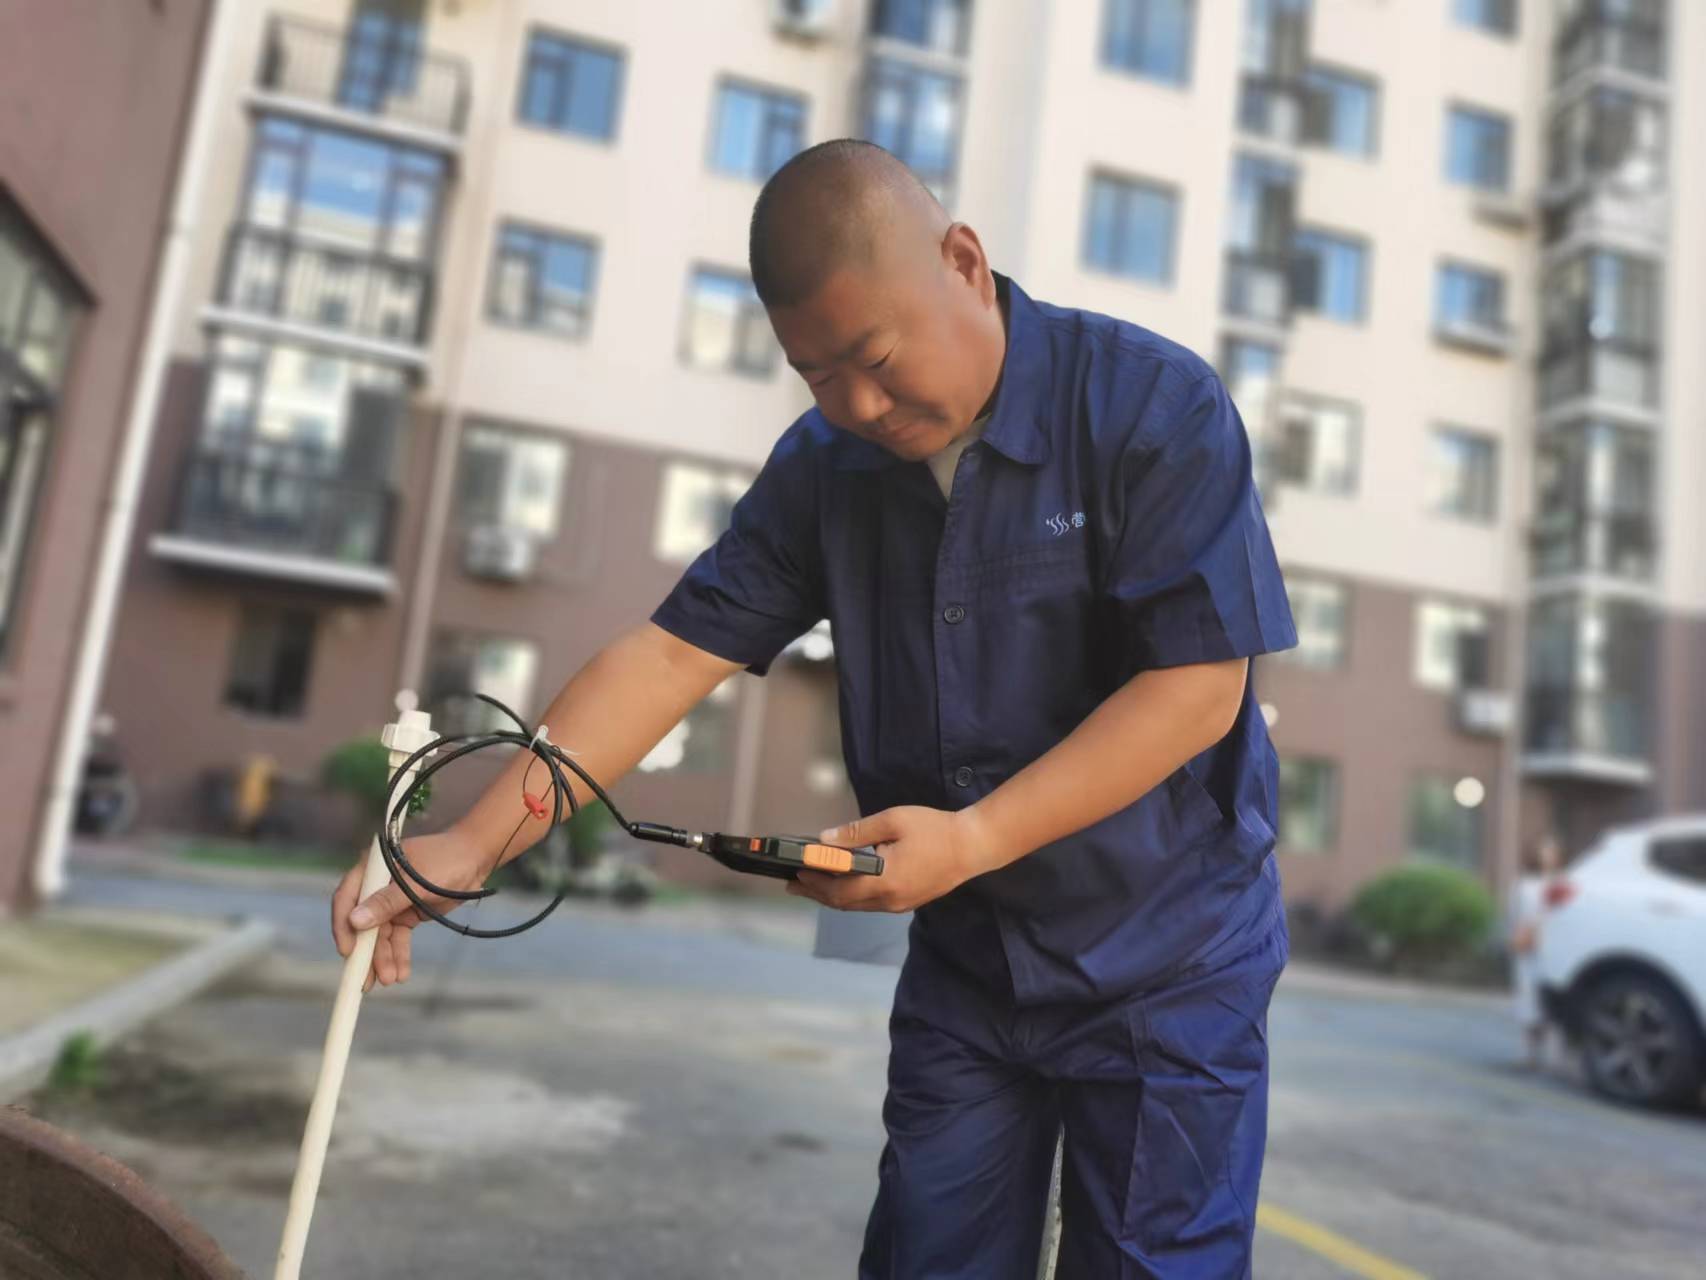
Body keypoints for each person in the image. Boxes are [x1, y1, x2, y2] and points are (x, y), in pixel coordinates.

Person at [332, 140, 1297, 1279]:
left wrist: (974, 837)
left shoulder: (1151, 409)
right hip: (973, 962)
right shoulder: (828, 464)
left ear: (963, 261)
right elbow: (667, 657)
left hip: (1169, 956)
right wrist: (469, 842)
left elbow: (1195, 690)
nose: (859, 404)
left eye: (875, 358)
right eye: (815, 374)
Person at [1510, 832, 1562, 1070]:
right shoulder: (1524, 884)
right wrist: (1521, 935)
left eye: (1551, 851)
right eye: (1544, 850)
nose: (1547, 855)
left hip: (1555, 949)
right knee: (1528, 999)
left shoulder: (1561, 884)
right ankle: (1529, 1053)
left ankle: (1553, 1055)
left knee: (1551, 999)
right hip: (1528, 948)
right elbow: (1514, 916)